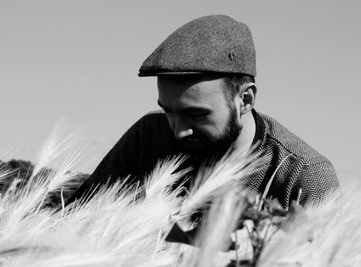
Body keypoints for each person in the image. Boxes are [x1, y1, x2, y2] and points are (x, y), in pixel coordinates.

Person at [67, 14, 340, 208]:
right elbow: (79, 222)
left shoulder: (303, 177)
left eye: (196, 114)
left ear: (245, 99)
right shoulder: (148, 136)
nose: (178, 129)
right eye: (169, 111)